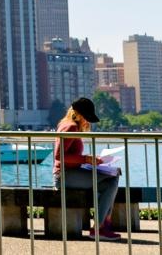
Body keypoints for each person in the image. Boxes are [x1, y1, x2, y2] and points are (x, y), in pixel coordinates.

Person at [54, 96, 122, 241]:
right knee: (114, 176)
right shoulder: (70, 127)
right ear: (77, 114)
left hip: (71, 173)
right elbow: (59, 155)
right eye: (86, 117)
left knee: (110, 182)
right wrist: (86, 159)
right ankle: (100, 227)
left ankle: (102, 225)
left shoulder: (69, 125)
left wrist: (88, 161)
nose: (86, 121)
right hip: (65, 176)